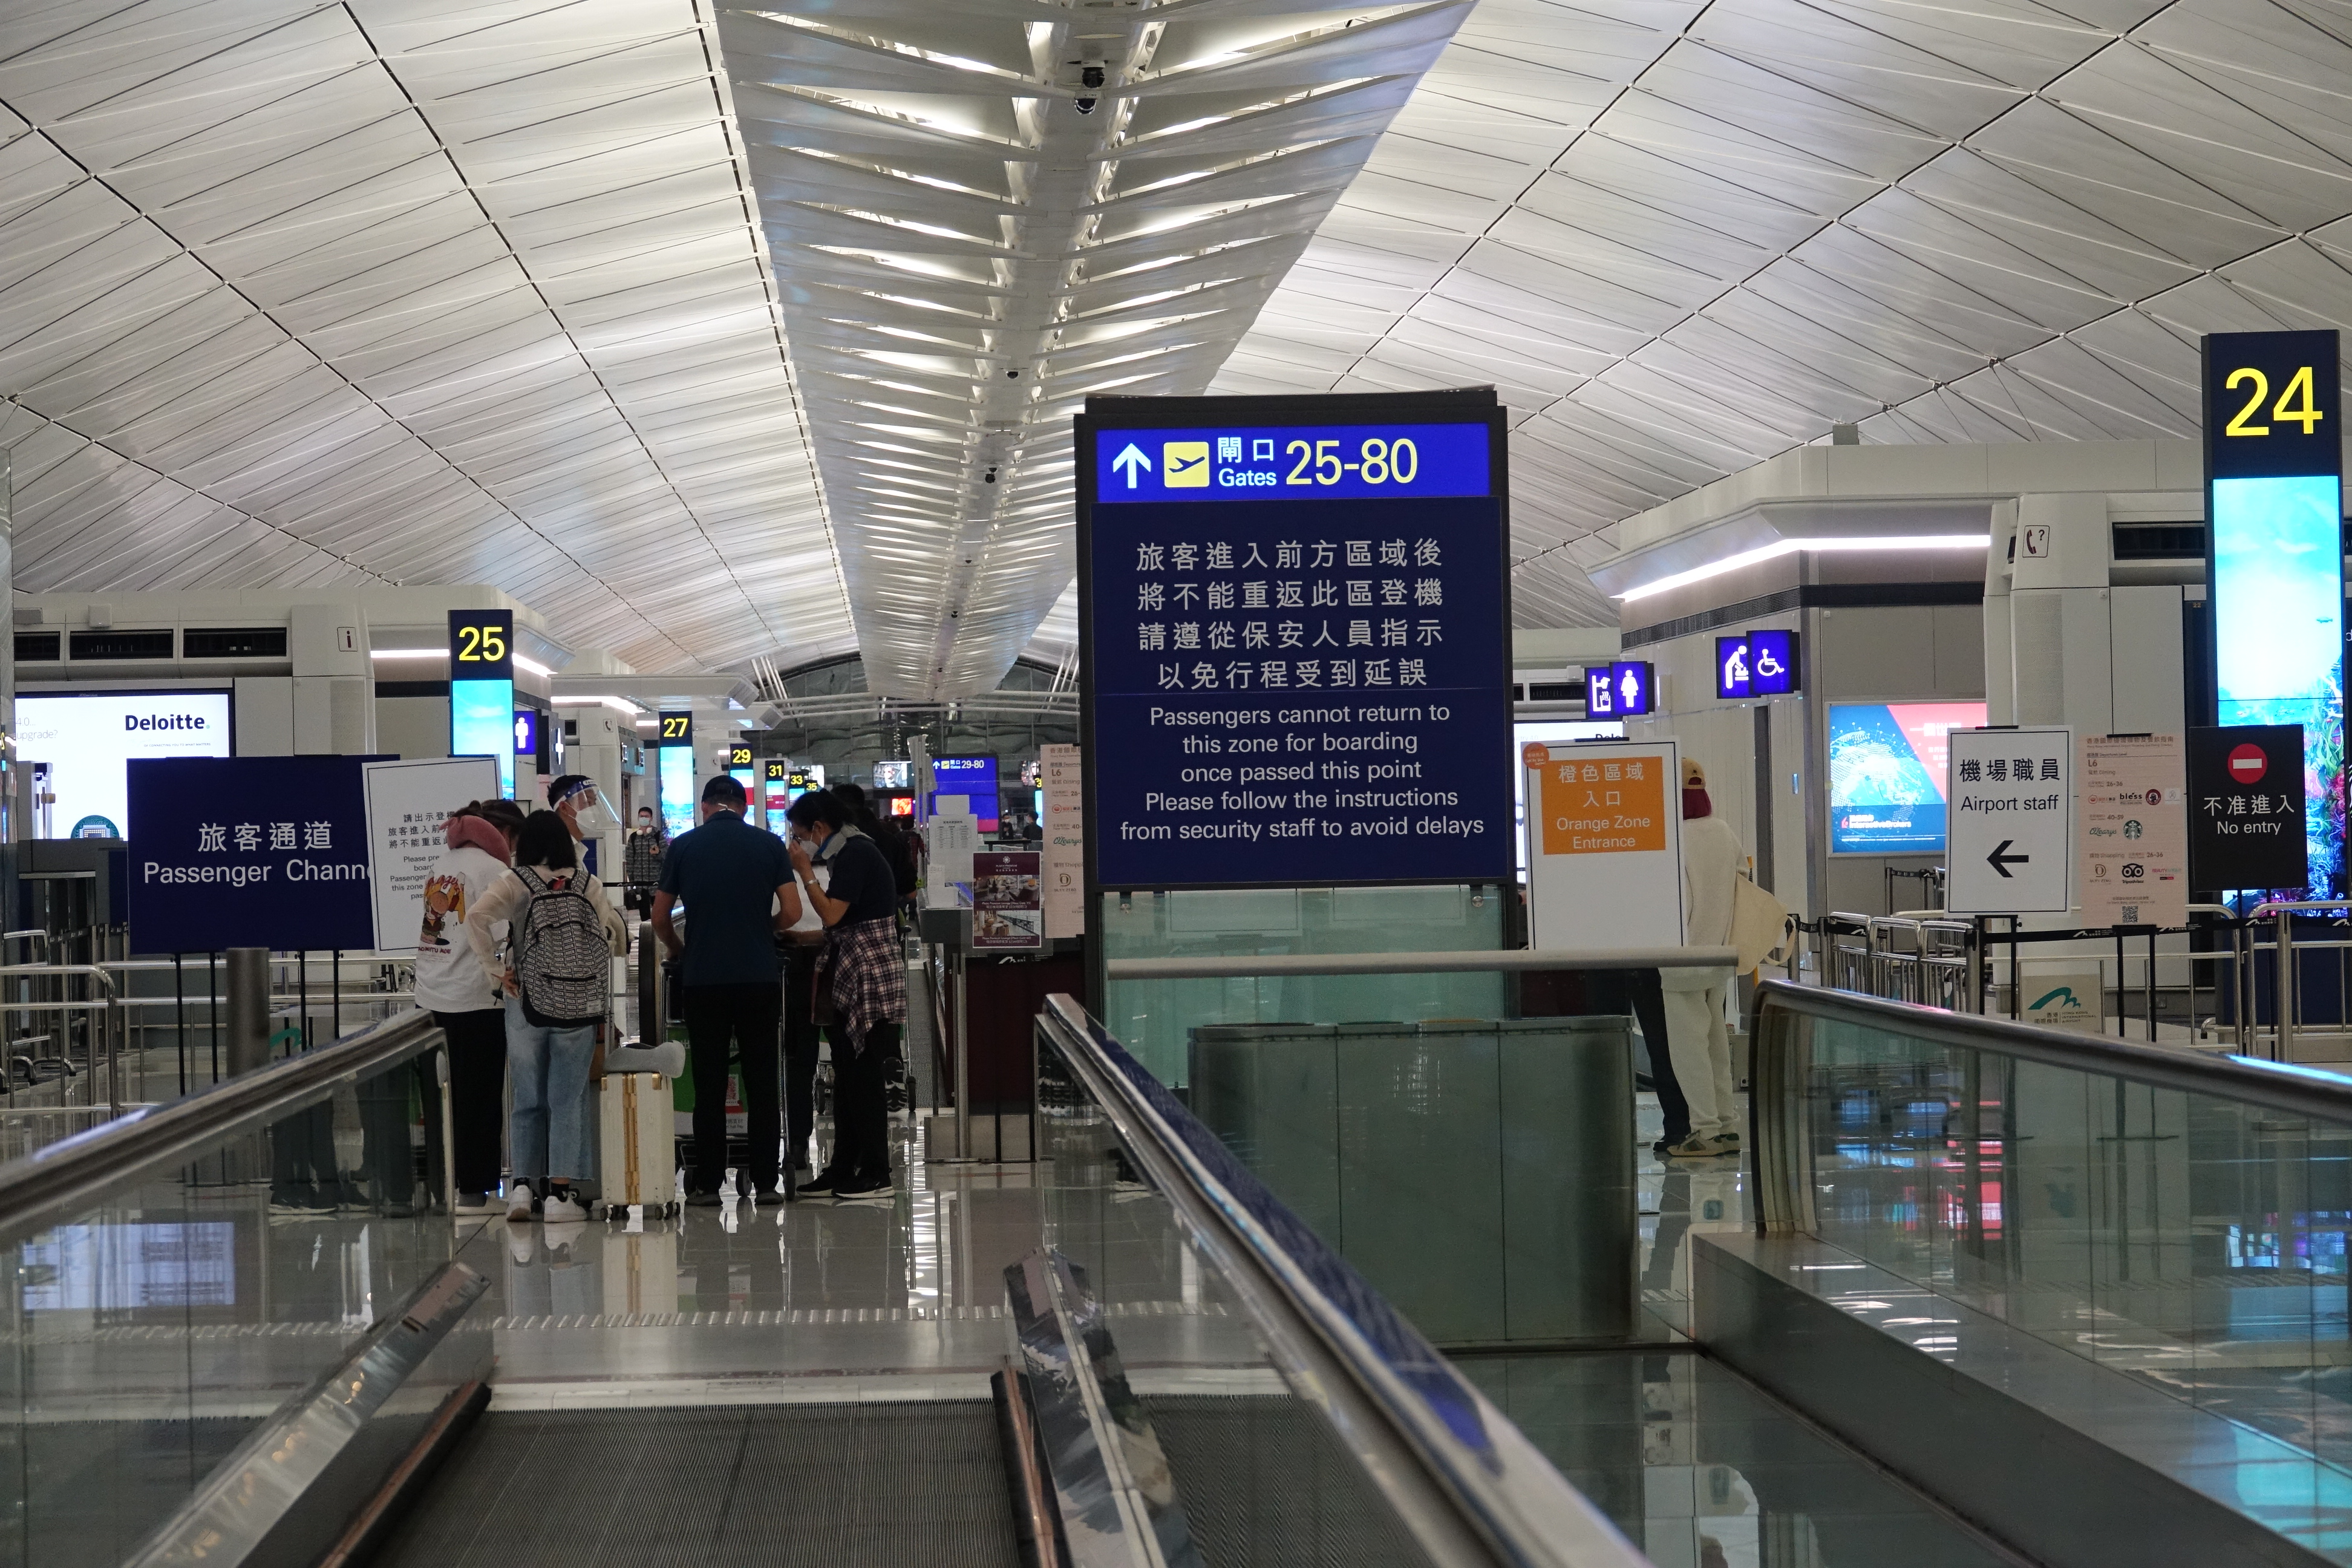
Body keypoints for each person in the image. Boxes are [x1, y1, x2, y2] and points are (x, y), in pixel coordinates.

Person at [468, 811, 627, 1221]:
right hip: (576, 1002)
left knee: (528, 1095)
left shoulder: (515, 883)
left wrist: (495, 971)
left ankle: (522, 1189)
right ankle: (560, 1195)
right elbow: (608, 934)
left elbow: (476, 919)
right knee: (567, 1097)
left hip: (526, 1000)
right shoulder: (586, 883)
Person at [652, 774, 800, 1205]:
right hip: (759, 978)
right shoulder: (769, 844)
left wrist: (682, 948)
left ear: (705, 807)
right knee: (762, 1079)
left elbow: (661, 917)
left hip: (703, 980)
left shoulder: (684, 846)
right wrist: (763, 928)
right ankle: (768, 1183)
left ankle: (709, 1185)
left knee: (710, 1082)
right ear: (741, 806)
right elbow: (791, 911)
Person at [785, 789, 907, 1200]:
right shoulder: (850, 853)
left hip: (866, 976)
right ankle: (843, 1167)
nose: (799, 844)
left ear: (819, 827)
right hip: (854, 967)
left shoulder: (855, 853)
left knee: (863, 1075)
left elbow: (834, 913)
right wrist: (804, 938)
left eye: (800, 835)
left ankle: (877, 1171)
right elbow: (849, 920)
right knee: (848, 1076)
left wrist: (804, 871)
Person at [409, 798, 528, 1213]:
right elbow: (503, 934)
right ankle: (475, 1189)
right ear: (506, 834)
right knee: (480, 1099)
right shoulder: (492, 870)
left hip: (432, 995)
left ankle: (449, 1185)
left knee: (447, 1101)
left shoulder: (443, 861)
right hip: (476, 999)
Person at [1662, 759, 1746, 1160]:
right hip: (1719, 955)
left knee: (1688, 1047)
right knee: (1715, 1043)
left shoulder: (1674, 837)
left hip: (1681, 957)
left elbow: (1676, 902)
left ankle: (1705, 1130)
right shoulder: (1724, 832)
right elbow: (1743, 883)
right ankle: (1727, 1126)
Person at [830, 781, 916, 903]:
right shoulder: (890, 841)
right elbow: (911, 892)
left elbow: (831, 913)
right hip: (889, 916)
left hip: (846, 917)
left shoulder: (840, 842)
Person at [622, 805, 666, 913]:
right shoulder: (633, 838)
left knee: (659, 914)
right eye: (641, 816)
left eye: (646, 816)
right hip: (640, 884)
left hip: (656, 882)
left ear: (651, 818)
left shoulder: (658, 836)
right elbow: (630, 860)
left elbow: (667, 856)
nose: (644, 818)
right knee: (644, 915)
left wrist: (658, 853)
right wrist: (632, 880)